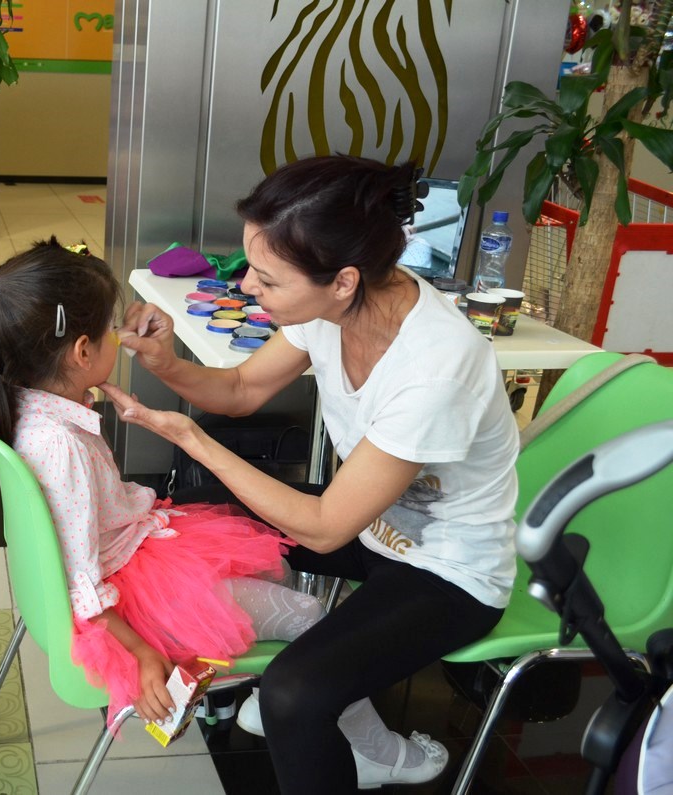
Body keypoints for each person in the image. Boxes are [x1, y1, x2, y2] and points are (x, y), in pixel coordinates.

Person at [0, 240, 436, 781]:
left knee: (277, 571)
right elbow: (81, 577)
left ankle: (274, 701)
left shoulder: (24, 404)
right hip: (131, 592)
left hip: (133, 550)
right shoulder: (60, 446)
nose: (118, 336)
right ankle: (381, 755)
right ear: (81, 352)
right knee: (309, 618)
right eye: (109, 330)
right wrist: (139, 652)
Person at [105, 155, 519, 792]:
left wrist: (192, 438)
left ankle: (341, 718)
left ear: (343, 280)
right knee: (188, 514)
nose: (248, 286)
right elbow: (241, 389)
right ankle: (297, 649)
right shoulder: (332, 310)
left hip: (447, 570)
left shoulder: (435, 367)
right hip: (370, 527)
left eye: (268, 280)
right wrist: (165, 363)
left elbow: (325, 528)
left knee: (294, 694)